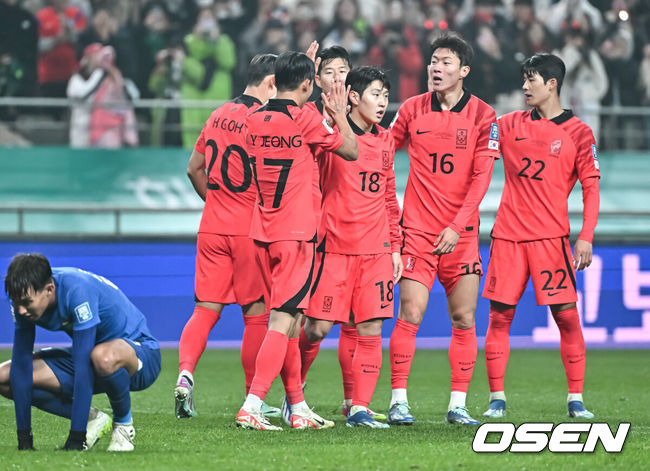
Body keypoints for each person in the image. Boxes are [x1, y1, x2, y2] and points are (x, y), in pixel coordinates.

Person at [235, 50, 358, 431]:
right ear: (308, 85)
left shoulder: (252, 118)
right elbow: (351, 150)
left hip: (261, 231)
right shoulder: (305, 119)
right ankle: (252, 405)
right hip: (296, 234)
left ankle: (298, 406)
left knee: (291, 321)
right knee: (283, 319)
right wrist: (338, 114)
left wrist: (299, 67)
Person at [387, 32, 500, 426]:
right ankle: (398, 400)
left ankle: (458, 405)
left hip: (462, 236)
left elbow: (481, 179)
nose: (436, 68)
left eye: (447, 62)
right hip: (416, 231)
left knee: (464, 319)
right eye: (434, 61)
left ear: (464, 70)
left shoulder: (485, 116)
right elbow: (383, 150)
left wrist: (457, 225)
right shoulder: (412, 109)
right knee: (411, 313)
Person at [482, 53, 600, 420]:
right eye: (524, 79)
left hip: (551, 240)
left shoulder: (579, 133)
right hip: (509, 238)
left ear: (552, 83)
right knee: (499, 317)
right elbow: (475, 147)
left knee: (567, 318)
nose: (524, 87)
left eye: (531, 80)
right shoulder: (508, 124)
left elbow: (591, 188)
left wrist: (586, 236)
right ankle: (497, 398)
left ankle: (576, 399)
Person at [174, 53, 280, 420]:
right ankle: (254, 398)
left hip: (211, 226)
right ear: (270, 83)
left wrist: (216, 201)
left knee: (204, 309)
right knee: (256, 315)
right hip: (249, 229)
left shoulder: (218, 114)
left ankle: (185, 374)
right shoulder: (264, 120)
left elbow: (193, 168)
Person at [303, 66, 402, 429]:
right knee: (316, 329)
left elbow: (389, 196)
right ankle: (293, 394)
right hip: (334, 250)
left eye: (386, 96)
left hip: (375, 250)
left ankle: (359, 408)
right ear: (355, 97)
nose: (382, 103)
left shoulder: (387, 140)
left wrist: (395, 246)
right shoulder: (328, 136)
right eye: (376, 94)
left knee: (372, 328)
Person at [1, 253, 161, 451]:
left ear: (49, 289)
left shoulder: (77, 291)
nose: (21, 310)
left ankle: (123, 426)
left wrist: (77, 438)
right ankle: (92, 418)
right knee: (4, 377)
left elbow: (83, 368)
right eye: (16, 302)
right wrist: (24, 440)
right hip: (92, 356)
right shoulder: (24, 297)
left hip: (140, 356)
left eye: (26, 302)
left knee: (101, 357)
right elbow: (22, 365)